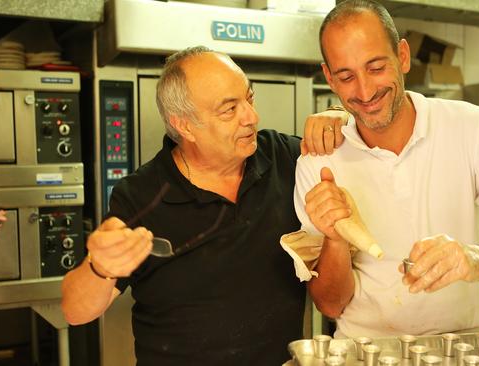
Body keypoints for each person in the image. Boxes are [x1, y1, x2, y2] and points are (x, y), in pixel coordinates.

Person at [291, 0, 479, 338]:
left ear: (402, 56)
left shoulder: (470, 127)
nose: (365, 91)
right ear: (330, 79)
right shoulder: (319, 162)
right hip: (367, 355)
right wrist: (335, 238)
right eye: (347, 76)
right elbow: (330, 305)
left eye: (376, 67)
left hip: (464, 350)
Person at [61, 46, 347, 365]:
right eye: (229, 110)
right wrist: (101, 268)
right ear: (184, 125)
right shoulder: (142, 194)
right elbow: (76, 312)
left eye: (249, 99)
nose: (251, 118)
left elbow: (357, 144)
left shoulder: (285, 158)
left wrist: (338, 115)